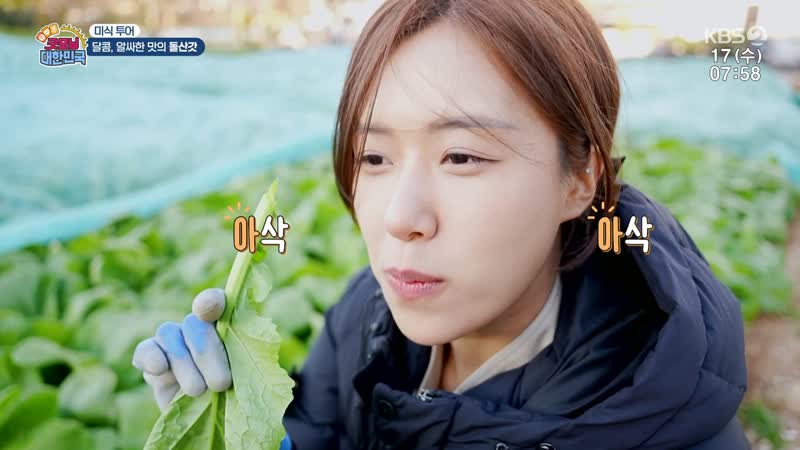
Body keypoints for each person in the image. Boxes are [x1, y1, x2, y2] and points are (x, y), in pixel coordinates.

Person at [132, 0, 750, 448]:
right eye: (374, 157)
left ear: (580, 178)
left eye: (461, 157)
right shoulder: (362, 316)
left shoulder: (666, 421)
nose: (400, 218)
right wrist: (246, 431)